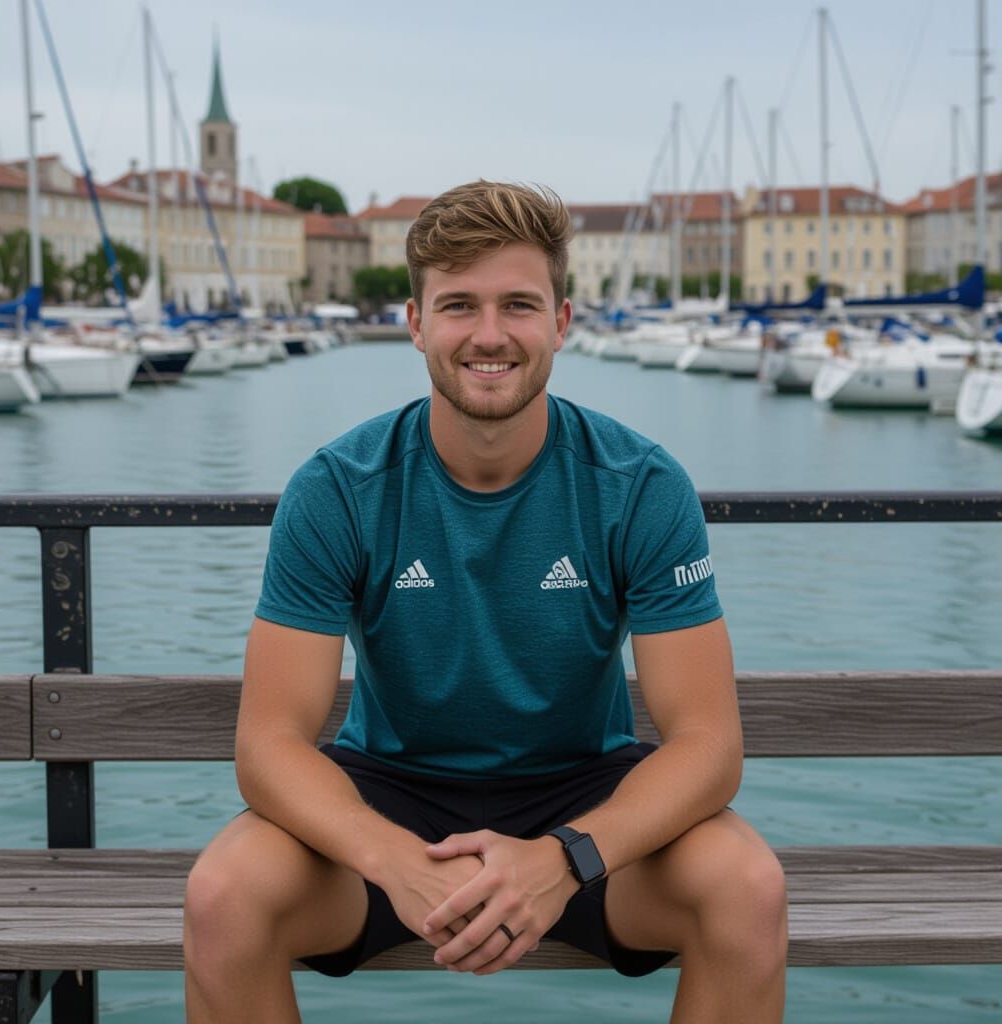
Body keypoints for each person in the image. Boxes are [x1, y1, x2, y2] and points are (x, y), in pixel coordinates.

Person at [183, 180, 788, 1023]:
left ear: (562, 322)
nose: (491, 334)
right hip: (387, 799)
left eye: (519, 305)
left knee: (747, 889)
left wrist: (565, 859)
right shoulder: (339, 488)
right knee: (224, 897)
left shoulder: (640, 485)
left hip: (587, 805)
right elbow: (268, 745)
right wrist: (394, 859)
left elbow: (709, 746)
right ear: (416, 323)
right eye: (460, 305)